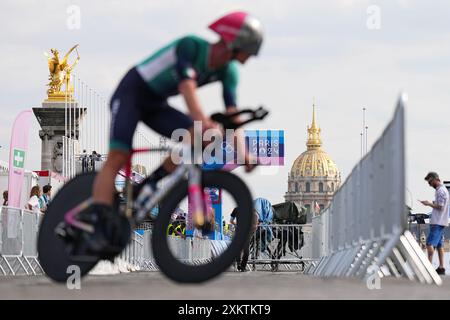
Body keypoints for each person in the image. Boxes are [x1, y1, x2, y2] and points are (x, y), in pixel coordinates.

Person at [68, 11, 264, 257]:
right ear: (234, 43)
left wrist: (245, 153)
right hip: (131, 94)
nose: (246, 61)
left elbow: (233, 116)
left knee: (202, 137)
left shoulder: (229, 73)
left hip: (155, 104)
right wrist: (203, 121)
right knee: (118, 156)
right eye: (247, 53)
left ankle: (150, 184)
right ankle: (96, 218)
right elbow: (187, 87)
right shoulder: (191, 47)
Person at [420, 172, 449, 275]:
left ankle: (428, 267)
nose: (429, 184)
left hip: (437, 222)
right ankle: (441, 267)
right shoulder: (441, 190)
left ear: (436, 179)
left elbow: (440, 206)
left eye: (430, 182)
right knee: (440, 245)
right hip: (440, 221)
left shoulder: (441, 191)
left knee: (429, 244)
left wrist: (429, 203)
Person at [230, 207, 259, 272]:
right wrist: (254, 228)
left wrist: (236, 224)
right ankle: (243, 266)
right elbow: (256, 217)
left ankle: (238, 264)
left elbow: (231, 221)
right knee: (246, 250)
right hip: (247, 232)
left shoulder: (236, 209)